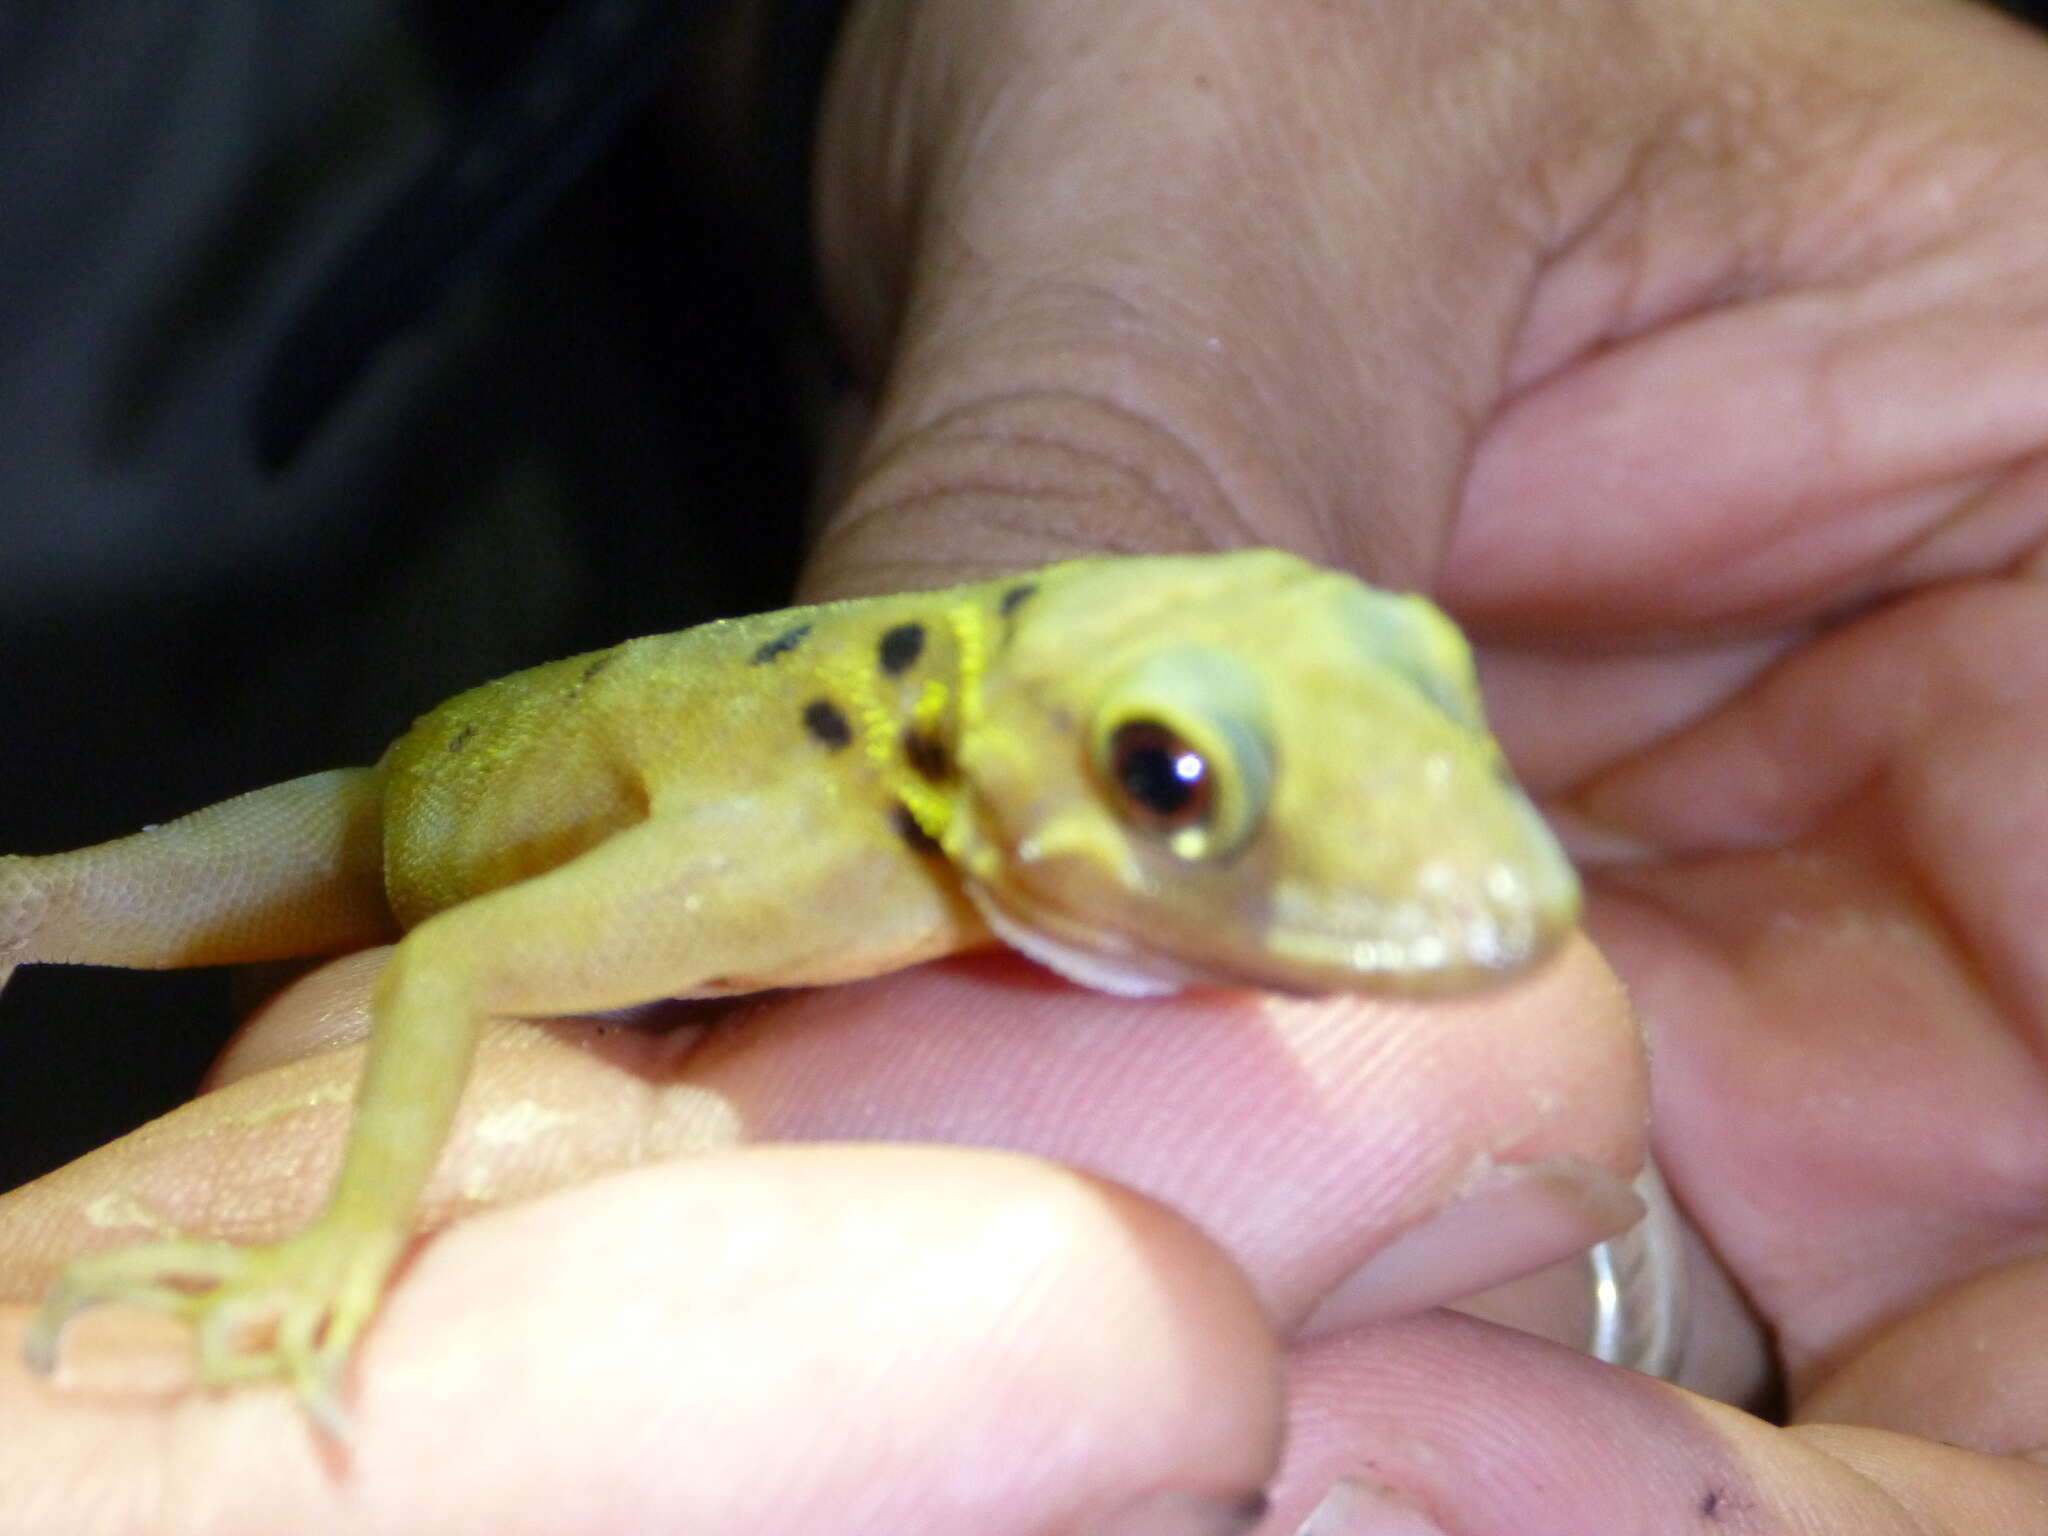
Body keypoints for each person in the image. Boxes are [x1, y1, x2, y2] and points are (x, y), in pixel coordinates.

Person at [6, 0, 2048, 1528]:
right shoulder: (808, 865)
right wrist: (351, 1246)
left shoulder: (978, 878)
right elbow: (448, 963)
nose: (1492, 883)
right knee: (52, 907)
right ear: (1012, 778)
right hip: (396, 819)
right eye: (1175, 787)